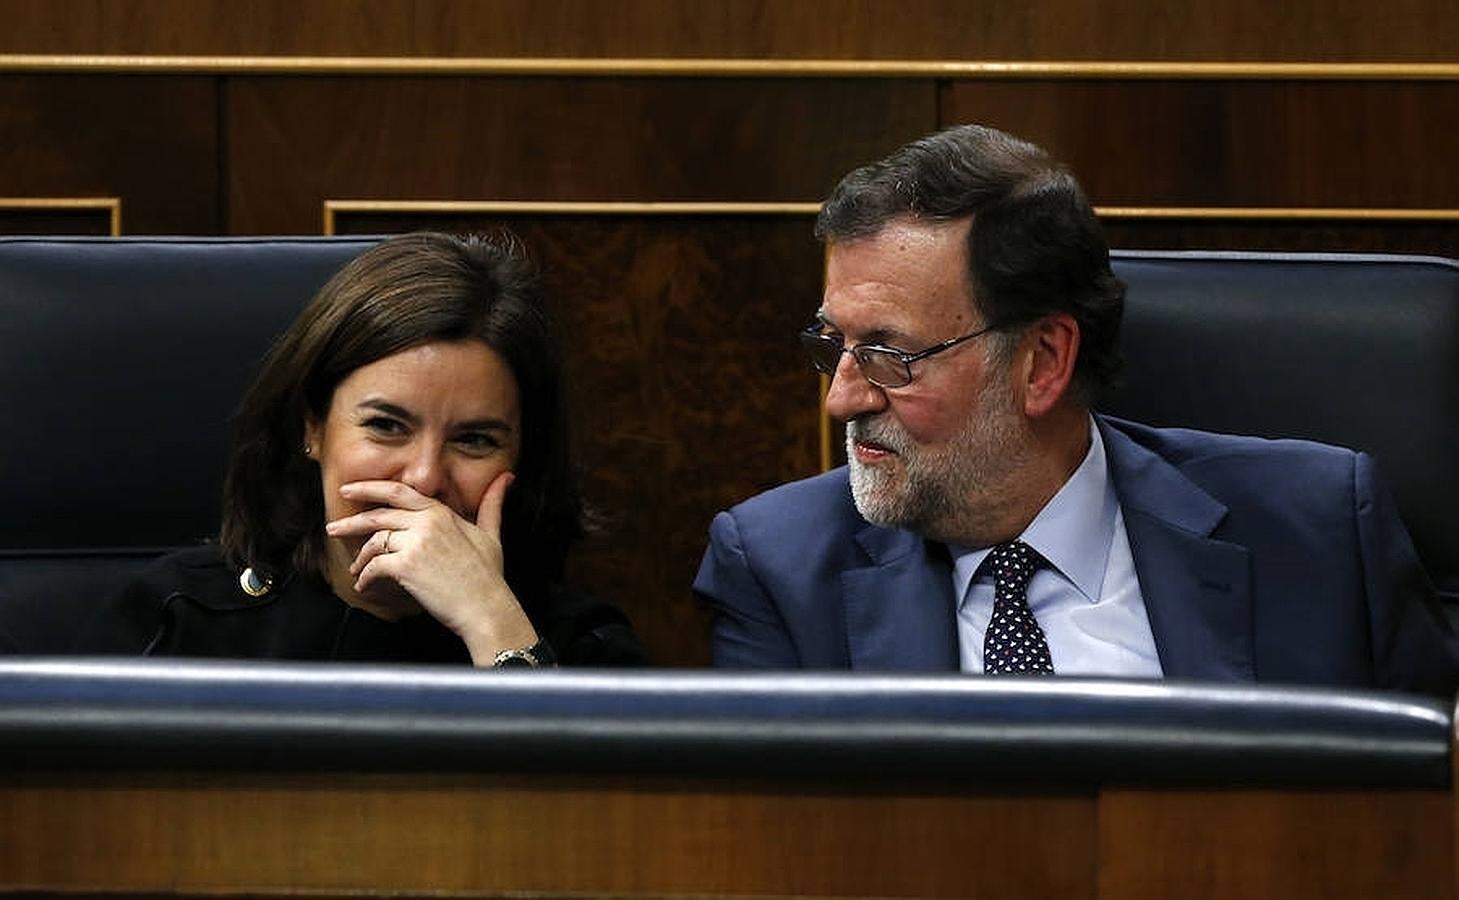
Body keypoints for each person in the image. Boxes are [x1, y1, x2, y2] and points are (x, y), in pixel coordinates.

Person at [693, 124, 1458, 695]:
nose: (843, 397)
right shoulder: (777, 568)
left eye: (891, 357)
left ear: (1042, 362)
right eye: (835, 345)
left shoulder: (1318, 530)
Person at [61, 231, 644, 666]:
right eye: (387, 426)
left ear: (521, 459)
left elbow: (583, 827)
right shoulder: (178, 615)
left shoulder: (577, 643)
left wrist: (492, 622)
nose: (422, 478)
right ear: (312, 427)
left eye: (474, 440)